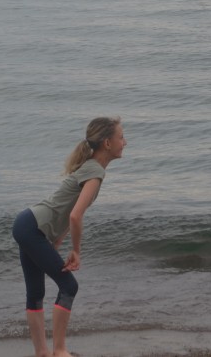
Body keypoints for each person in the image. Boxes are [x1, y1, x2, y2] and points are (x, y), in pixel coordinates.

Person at [11, 117, 127, 357]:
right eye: (121, 137)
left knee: (35, 293)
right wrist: (76, 251)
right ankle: (60, 350)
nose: (125, 142)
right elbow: (75, 216)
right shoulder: (95, 172)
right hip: (33, 227)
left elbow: (67, 209)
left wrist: (56, 240)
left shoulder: (92, 168)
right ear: (107, 143)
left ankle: (42, 353)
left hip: (29, 225)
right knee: (69, 286)